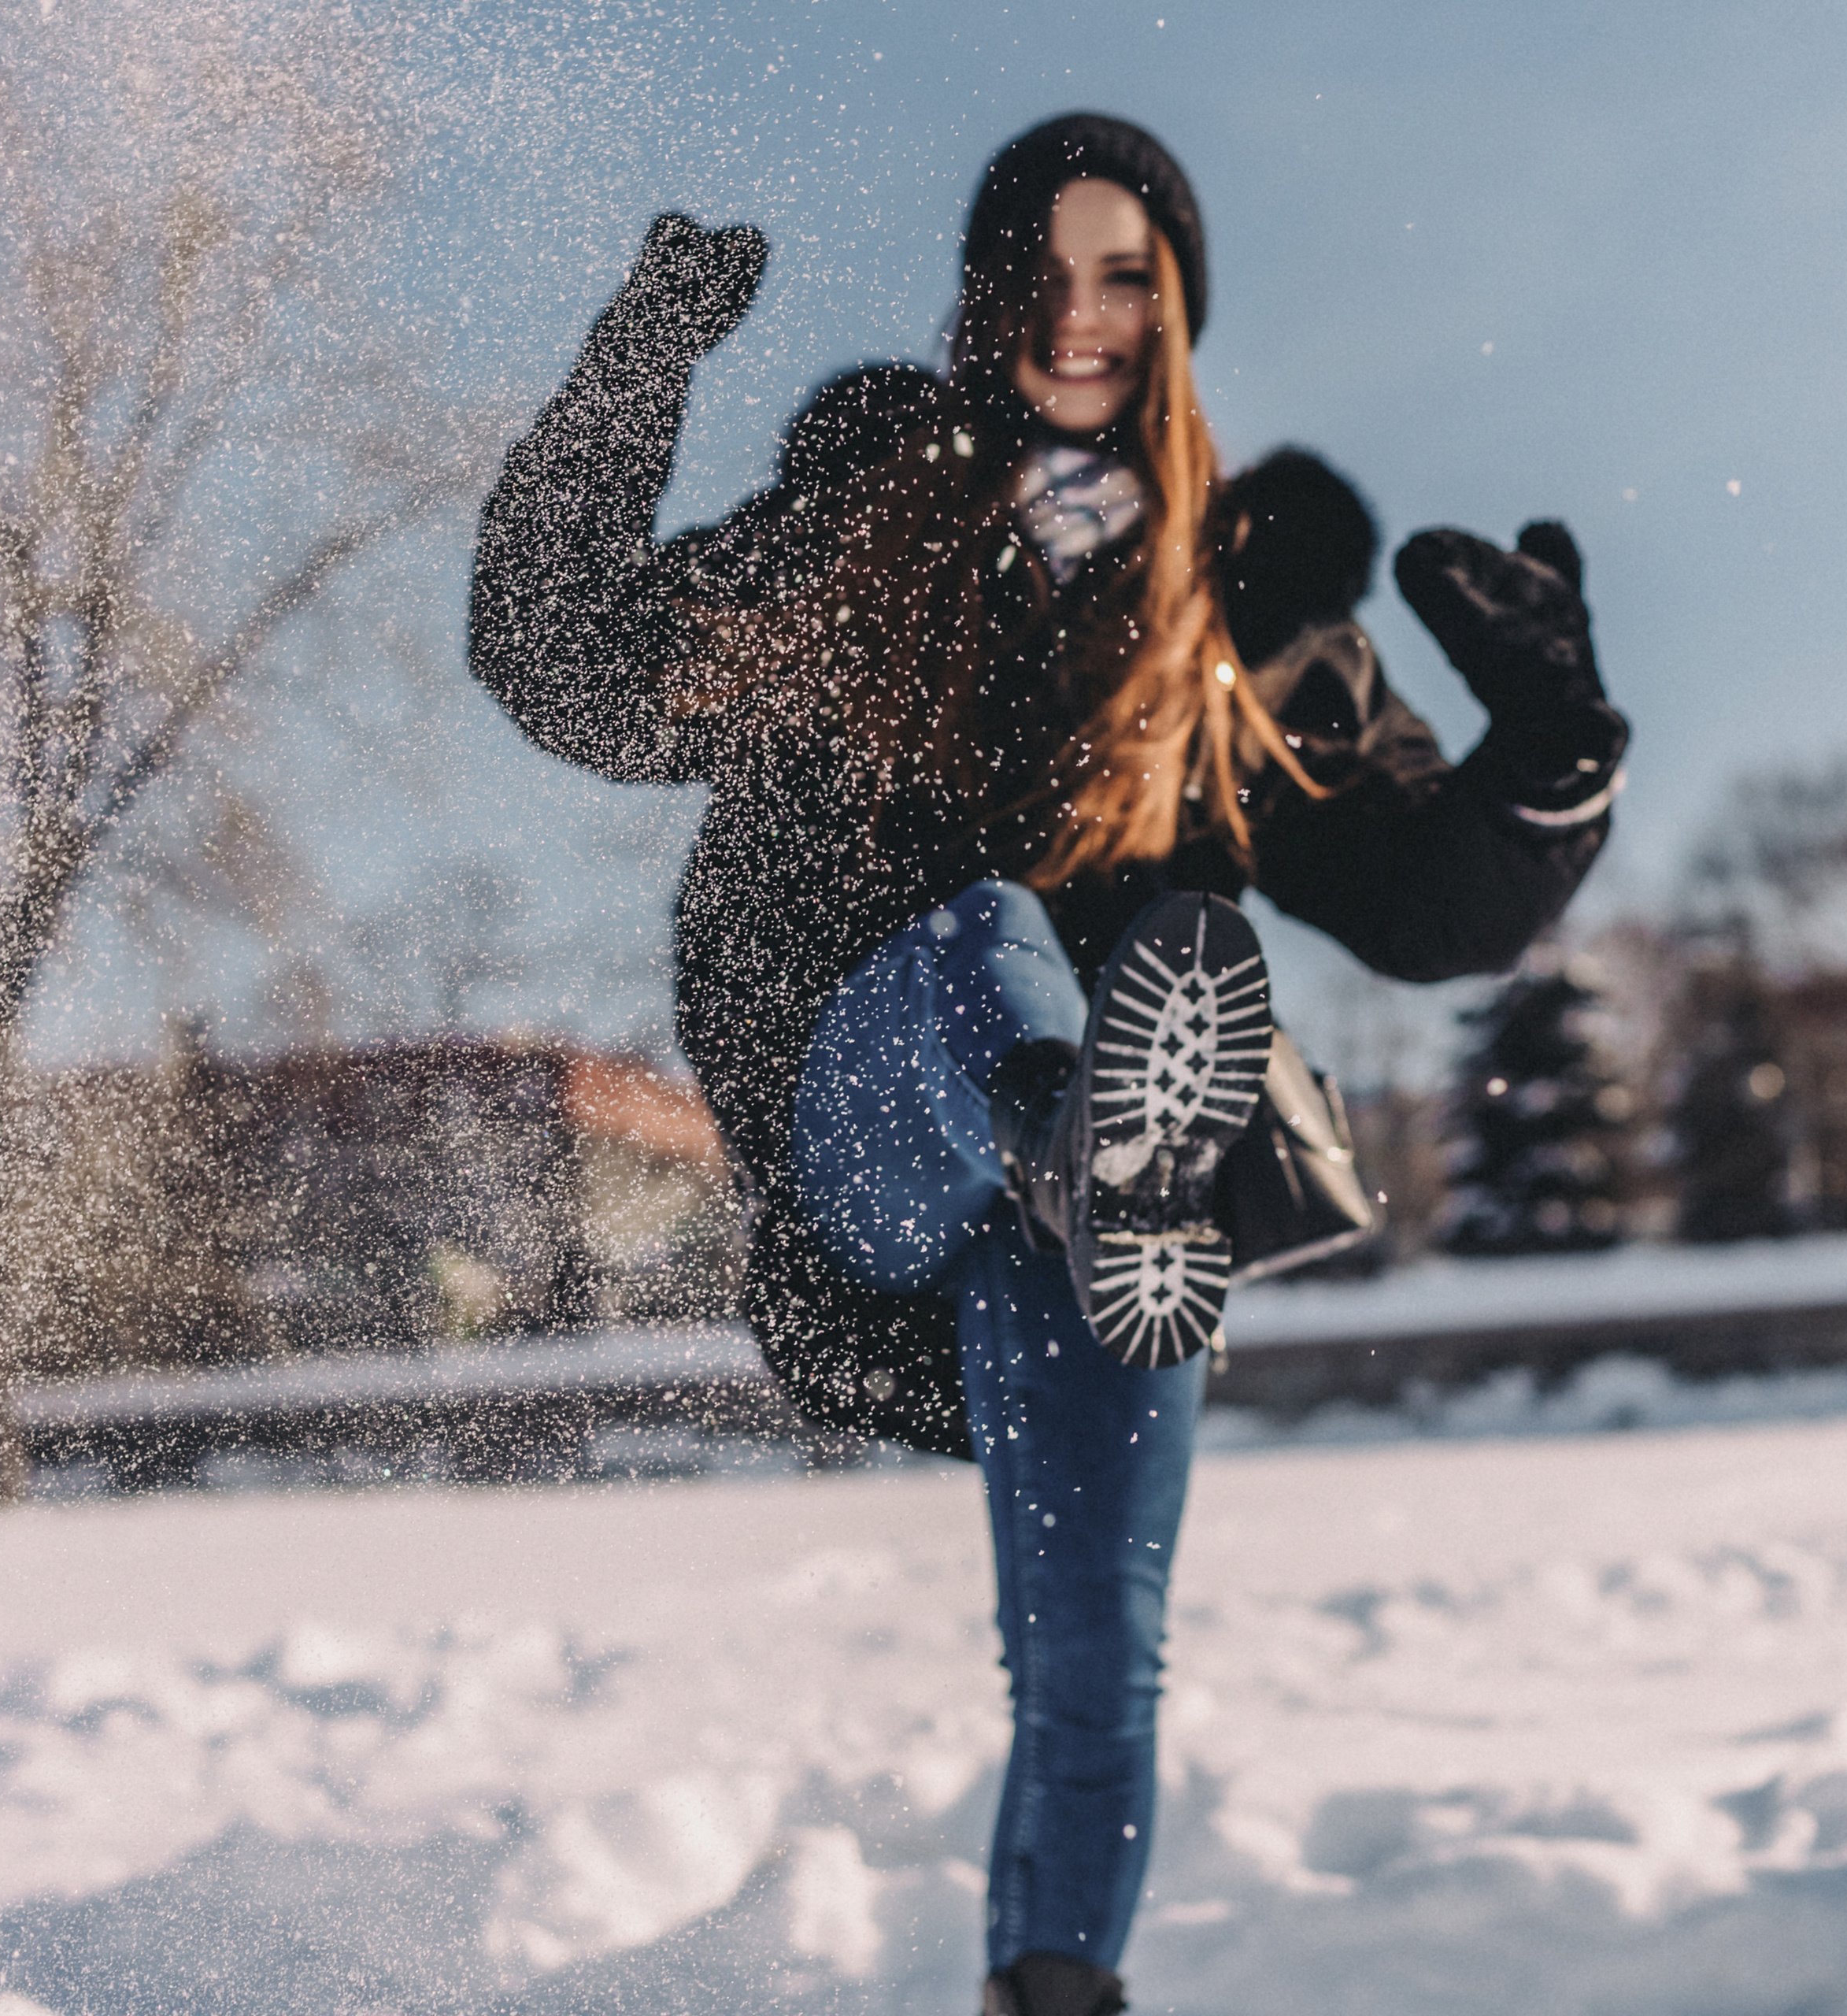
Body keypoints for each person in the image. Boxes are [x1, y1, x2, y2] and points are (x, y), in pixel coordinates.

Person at [470, 113, 1627, 2016]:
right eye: (1037, 268)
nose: (1076, 314)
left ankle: (1053, 1984)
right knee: (983, 937)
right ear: (976, 295)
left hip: (1102, 1238)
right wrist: (638, 360)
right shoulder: (852, 528)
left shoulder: (1240, 618)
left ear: (1172, 312)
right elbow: (565, 658)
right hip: (874, 1128)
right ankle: (1078, 1122)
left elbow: (1429, 907)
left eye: (1122, 277)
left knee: (1096, 1646)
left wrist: (1552, 740)